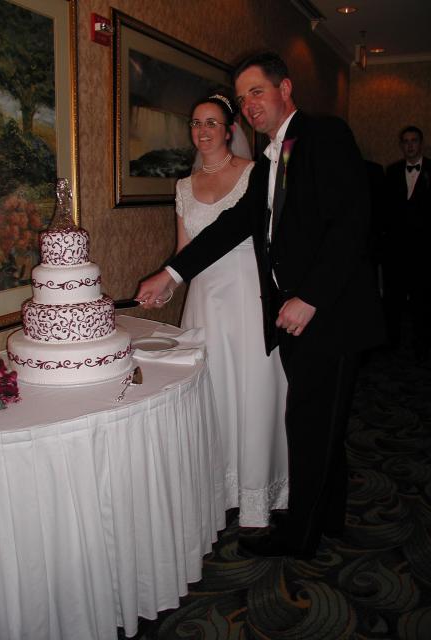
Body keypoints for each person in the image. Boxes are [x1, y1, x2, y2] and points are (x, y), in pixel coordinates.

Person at [137, 52, 385, 559]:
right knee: (323, 423)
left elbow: (350, 222)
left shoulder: (324, 135)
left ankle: (299, 537)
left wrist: (309, 298)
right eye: (243, 94)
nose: (249, 104)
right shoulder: (272, 158)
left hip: (329, 315)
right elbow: (232, 227)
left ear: (284, 88)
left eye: (257, 91)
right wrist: (172, 272)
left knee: (310, 426)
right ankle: (330, 515)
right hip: (293, 318)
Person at [175, 94, 288, 527]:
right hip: (204, 301)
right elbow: (186, 252)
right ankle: (219, 489)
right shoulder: (183, 187)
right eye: (195, 122)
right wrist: (167, 289)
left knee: (252, 390)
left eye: (211, 123)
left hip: (245, 294)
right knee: (213, 395)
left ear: (228, 130)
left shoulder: (254, 174)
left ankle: (259, 493)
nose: (202, 131)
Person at [382, 126, 431, 362]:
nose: (410, 145)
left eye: (414, 141)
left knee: (422, 301)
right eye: (406, 141)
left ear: (421, 144)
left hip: (424, 251)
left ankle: (422, 345)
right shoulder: (391, 172)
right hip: (397, 251)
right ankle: (392, 344)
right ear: (401, 145)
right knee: (393, 299)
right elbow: (386, 211)